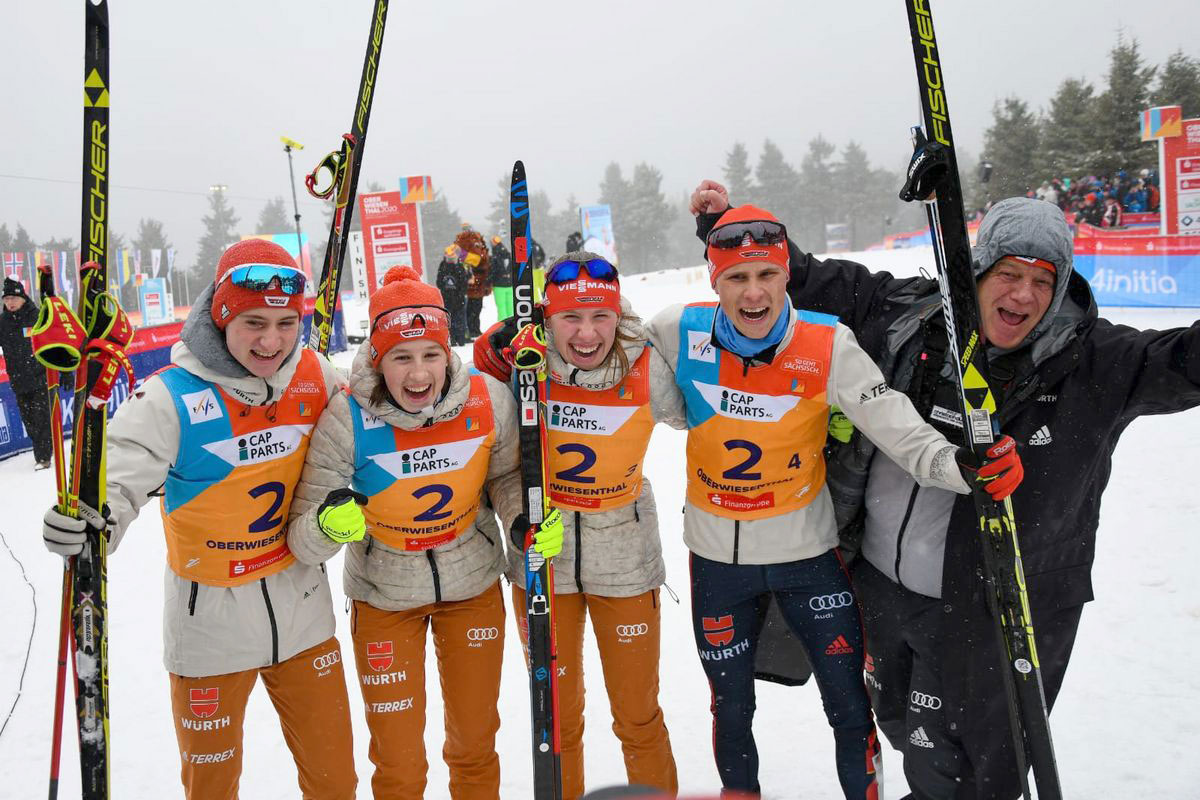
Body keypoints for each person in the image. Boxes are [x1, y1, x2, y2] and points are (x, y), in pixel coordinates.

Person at [691, 182, 1200, 799]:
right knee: (906, 726)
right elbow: (808, 278)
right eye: (1009, 274)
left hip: (991, 608)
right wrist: (728, 227)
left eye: (1043, 282)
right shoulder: (910, 316)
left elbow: (1183, 362)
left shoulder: (1093, 359)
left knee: (983, 758)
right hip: (883, 587)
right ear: (975, 270)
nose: (1023, 295)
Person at [644, 204, 1023, 799]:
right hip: (717, 562)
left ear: (784, 275)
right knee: (732, 709)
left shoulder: (827, 344)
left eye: (766, 275)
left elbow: (898, 426)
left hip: (808, 558)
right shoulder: (677, 328)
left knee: (849, 709)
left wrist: (960, 467)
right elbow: (605, 343)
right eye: (736, 278)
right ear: (713, 281)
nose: (753, 293)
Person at [40, 239, 356, 799]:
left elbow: (382, 404)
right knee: (211, 788)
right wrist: (91, 521)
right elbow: (117, 479)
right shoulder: (170, 396)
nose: (271, 340)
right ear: (220, 315)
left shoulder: (315, 374)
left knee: (335, 783)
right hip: (208, 624)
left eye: (286, 323)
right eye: (254, 322)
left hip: (305, 614)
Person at [285, 265, 558, 799]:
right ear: (376, 358)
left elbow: (505, 475)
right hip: (385, 595)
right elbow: (302, 536)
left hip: (473, 583)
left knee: (475, 744)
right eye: (401, 357)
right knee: (399, 759)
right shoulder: (345, 416)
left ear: (448, 352)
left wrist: (521, 521)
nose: (417, 374)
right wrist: (326, 526)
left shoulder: (486, 398)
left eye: (430, 354)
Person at [475, 252, 680, 799]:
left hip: (627, 558)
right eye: (571, 318)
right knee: (557, 722)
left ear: (618, 315)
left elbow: (707, 410)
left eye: (600, 317)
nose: (587, 334)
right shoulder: (524, 366)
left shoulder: (648, 365)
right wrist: (488, 352)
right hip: (544, 561)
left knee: (638, 716)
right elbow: (494, 456)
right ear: (547, 317)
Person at [1, 276, 52, 468]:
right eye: (6, 300)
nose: (10, 303)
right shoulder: (3, 321)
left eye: (13, 299)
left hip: (40, 377)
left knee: (41, 419)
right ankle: (42, 447)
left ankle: (43, 457)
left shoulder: (37, 316)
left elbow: (53, 343)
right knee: (29, 421)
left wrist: (63, 372)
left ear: (22, 297)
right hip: (18, 380)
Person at [457, 229, 492, 339]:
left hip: (479, 282)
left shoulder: (473, 246)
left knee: (476, 308)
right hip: (473, 282)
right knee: (472, 309)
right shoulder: (464, 246)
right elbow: (477, 261)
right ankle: (471, 330)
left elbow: (481, 260)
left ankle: (475, 329)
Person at [436, 244, 469, 346]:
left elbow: (463, 282)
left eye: (452, 257)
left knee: (457, 319)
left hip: (456, 299)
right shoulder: (444, 266)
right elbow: (439, 282)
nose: (450, 259)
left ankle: (459, 338)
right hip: (449, 299)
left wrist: (460, 293)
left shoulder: (457, 266)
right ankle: (455, 339)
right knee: (452, 320)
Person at [489, 235, 513, 320]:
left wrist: (489, 283)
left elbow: (492, 272)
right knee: (511, 307)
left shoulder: (495, 257)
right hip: (510, 284)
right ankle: (512, 326)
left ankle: (502, 326)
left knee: (501, 308)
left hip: (499, 285)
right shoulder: (509, 255)